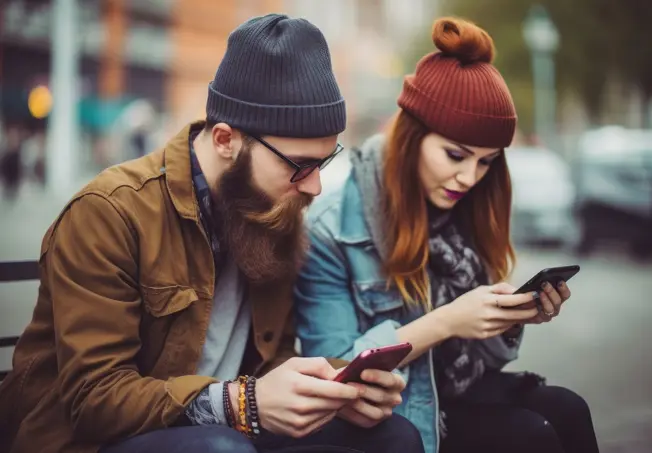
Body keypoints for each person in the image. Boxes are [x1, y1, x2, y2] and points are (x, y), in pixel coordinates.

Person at [0, 14, 424, 453]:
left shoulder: (276, 207)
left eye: (323, 163)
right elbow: (95, 401)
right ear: (225, 139)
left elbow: (270, 359)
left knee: (394, 437)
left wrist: (337, 390)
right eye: (298, 166)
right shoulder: (110, 212)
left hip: (231, 429)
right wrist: (242, 403)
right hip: (95, 438)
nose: (314, 186)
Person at [294, 17, 599, 453]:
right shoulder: (330, 228)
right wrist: (446, 321)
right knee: (535, 436)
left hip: (454, 391)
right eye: (455, 155)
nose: (469, 177)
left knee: (568, 408)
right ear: (411, 138)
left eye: (486, 161)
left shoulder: (466, 208)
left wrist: (509, 321)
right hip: (395, 412)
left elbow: (486, 360)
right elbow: (337, 371)